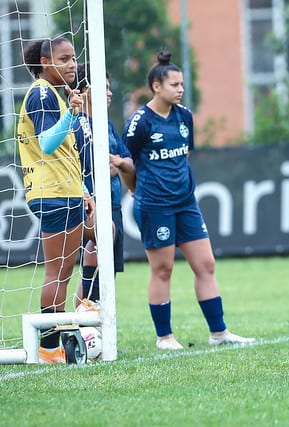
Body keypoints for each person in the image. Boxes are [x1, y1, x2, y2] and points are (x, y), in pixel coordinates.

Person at [121, 51, 255, 350]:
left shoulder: (184, 116)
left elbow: (185, 156)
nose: (180, 89)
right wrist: (134, 190)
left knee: (206, 264)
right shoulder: (139, 121)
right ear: (157, 86)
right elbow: (126, 164)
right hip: (155, 204)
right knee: (163, 269)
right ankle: (164, 337)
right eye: (175, 84)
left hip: (186, 202)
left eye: (182, 84)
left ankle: (219, 334)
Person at [16, 37, 95, 363]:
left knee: (104, 235)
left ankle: (88, 306)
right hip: (53, 193)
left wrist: (83, 190)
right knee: (58, 272)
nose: (72, 64)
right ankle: (51, 345)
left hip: (65, 190)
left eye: (73, 58)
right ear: (46, 63)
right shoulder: (44, 92)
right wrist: (72, 113)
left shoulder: (54, 95)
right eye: (64, 59)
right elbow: (48, 144)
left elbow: (62, 151)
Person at [72, 63, 134, 307]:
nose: (109, 93)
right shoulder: (81, 124)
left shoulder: (106, 125)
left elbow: (126, 161)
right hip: (94, 204)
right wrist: (115, 165)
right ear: (85, 90)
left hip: (114, 203)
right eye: (104, 87)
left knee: (108, 274)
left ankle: (80, 322)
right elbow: (97, 168)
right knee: (98, 268)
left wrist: (117, 163)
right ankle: (88, 323)